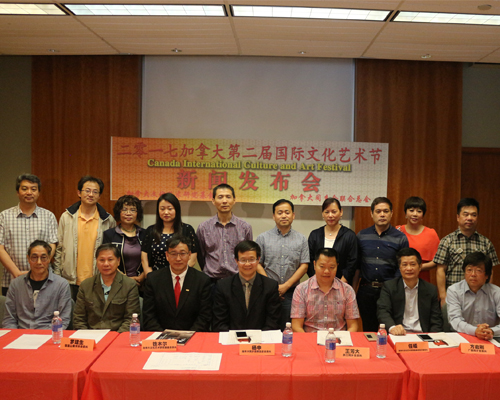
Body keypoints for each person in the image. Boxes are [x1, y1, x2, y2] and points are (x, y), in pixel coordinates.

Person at [54, 175, 116, 300]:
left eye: (95, 192)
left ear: (99, 195)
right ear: (79, 193)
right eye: (87, 191)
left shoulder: (107, 220)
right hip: (70, 280)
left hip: (98, 280)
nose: (91, 194)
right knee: (71, 311)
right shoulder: (67, 217)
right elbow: (59, 248)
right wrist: (57, 276)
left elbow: (113, 252)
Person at [356, 197, 409, 332]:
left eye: (386, 211)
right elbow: (357, 264)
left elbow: (402, 266)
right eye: (378, 211)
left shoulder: (400, 238)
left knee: (390, 329)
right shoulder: (362, 235)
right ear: (371, 213)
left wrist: (393, 288)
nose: (382, 215)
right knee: (369, 331)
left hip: (389, 291)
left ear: (391, 213)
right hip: (366, 290)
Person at [255, 199, 309, 330]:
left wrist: (286, 286)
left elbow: (304, 265)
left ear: (293, 215)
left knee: (288, 329)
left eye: (287, 212)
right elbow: (257, 264)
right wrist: (271, 286)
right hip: (267, 292)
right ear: (273, 216)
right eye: (280, 213)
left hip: (292, 293)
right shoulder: (262, 238)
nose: (284, 216)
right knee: (266, 328)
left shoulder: (301, 239)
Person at [0, 174, 58, 296]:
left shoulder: (49, 216)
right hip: (12, 280)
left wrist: (39, 268)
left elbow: (52, 245)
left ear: (38, 192)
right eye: (24, 188)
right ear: (17, 192)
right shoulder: (4, 216)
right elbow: (0, 248)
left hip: (43, 280)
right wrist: (16, 272)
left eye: (33, 189)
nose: (29, 192)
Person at [434, 198, 499, 306]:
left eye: (473, 215)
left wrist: (487, 295)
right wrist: (443, 296)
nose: (469, 218)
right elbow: (440, 270)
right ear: (458, 217)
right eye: (466, 214)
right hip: (454, 296)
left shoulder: (486, 243)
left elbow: (490, 271)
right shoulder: (447, 241)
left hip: (479, 296)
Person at [143, 236, 212, 332]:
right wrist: (163, 336)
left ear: (189, 255)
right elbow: (148, 316)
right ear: (167, 255)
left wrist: (189, 336)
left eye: (182, 253)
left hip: (193, 336)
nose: (178, 258)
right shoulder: (153, 279)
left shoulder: (202, 280)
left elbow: (204, 317)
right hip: (160, 336)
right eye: (173, 254)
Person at [212, 240, 281, 331]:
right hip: (232, 337)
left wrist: (256, 337)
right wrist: (237, 337)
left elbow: (273, 321)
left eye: (252, 259)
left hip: (261, 337)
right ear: (236, 260)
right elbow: (219, 322)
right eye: (243, 260)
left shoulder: (270, 286)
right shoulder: (223, 286)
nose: (247, 264)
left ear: (258, 259)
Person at [2, 240, 71, 329]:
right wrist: (15, 335)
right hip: (21, 333)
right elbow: (9, 319)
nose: (39, 262)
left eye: (43, 257)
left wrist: (43, 336)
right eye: (34, 257)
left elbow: (63, 320)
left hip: (49, 334)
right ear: (28, 259)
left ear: (49, 259)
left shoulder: (61, 285)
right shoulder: (16, 285)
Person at [73, 243, 140, 333]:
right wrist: (87, 336)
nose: (106, 264)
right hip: (91, 335)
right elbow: (79, 319)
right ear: (96, 261)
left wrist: (115, 338)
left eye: (110, 260)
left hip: (118, 336)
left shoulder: (129, 285)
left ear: (118, 261)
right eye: (102, 260)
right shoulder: (86, 285)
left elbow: (130, 319)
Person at [291, 248, 359, 333]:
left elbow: (353, 326)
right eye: (322, 266)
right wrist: (308, 341)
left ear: (337, 266)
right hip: (310, 337)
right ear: (314, 265)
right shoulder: (301, 289)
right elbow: (296, 326)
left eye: (332, 267)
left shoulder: (347, 290)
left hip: (338, 338)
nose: (326, 271)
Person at [377, 248, 443, 335]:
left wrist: (432, 337)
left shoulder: (430, 289)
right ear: (399, 267)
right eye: (404, 265)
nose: (409, 268)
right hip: (399, 334)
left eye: (413, 264)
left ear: (420, 267)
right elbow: (383, 311)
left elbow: (436, 319)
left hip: (423, 335)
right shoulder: (389, 287)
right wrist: (393, 327)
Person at [196, 183, 253, 282]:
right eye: (220, 197)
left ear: (234, 200)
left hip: (237, 279)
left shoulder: (245, 227)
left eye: (228, 197)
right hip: (211, 280)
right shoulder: (203, 227)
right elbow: (201, 255)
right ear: (213, 201)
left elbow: (248, 254)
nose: (224, 201)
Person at [141, 193, 199, 275]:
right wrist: (151, 277)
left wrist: (177, 276)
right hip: (155, 276)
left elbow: (192, 258)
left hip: (181, 277)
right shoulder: (151, 230)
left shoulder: (187, 230)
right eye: (162, 209)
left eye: (170, 209)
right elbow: (144, 258)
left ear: (176, 210)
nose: (166, 212)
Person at [447, 252, 500, 340]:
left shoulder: (497, 292)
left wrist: (492, 331)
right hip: (462, 337)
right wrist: (475, 331)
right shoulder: (454, 291)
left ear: (487, 275)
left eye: (478, 270)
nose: (473, 274)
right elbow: (455, 320)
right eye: (469, 270)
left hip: (489, 338)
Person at [307, 198, 357, 284]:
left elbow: (352, 263)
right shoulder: (314, 235)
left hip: (341, 284)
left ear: (341, 212)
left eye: (334, 212)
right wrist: (317, 281)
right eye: (327, 212)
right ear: (322, 214)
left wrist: (340, 285)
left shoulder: (349, 235)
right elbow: (310, 260)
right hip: (317, 284)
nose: (330, 215)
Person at [102, 195, 146, 286]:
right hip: (116, 283)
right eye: (124, 209)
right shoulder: (110, 235)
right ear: (119, 212)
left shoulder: (145, 234)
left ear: (138, 213)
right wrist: (125, 279)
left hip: (141, 283)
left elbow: (150, 259)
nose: (128, 213)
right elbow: (106, 260)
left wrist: (142, 277)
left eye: (133, 210)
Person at [396, 197, 440, 283]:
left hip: (422, 279)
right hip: (399, 279)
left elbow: (438, 261)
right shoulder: (398, 231)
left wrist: (417, 268)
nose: (415, 214)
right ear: (405, 213)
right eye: (411, 210)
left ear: (423, 215)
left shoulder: (431, 233)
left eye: (419, 211)